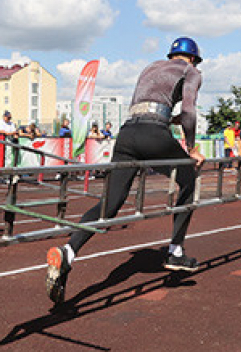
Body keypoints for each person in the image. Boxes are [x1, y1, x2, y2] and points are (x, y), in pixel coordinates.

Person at [44, 36, 206, 304]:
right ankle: (176, 251)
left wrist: (168, 117)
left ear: (170, 57)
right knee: (189, 181)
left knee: (110, 203)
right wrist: (191, 147)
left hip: (128, 134)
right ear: (193, 58)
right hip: (155, 135)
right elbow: (188, 110)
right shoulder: (191, 71)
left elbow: (151, 105)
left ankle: (68, 251)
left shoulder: (150, 68)